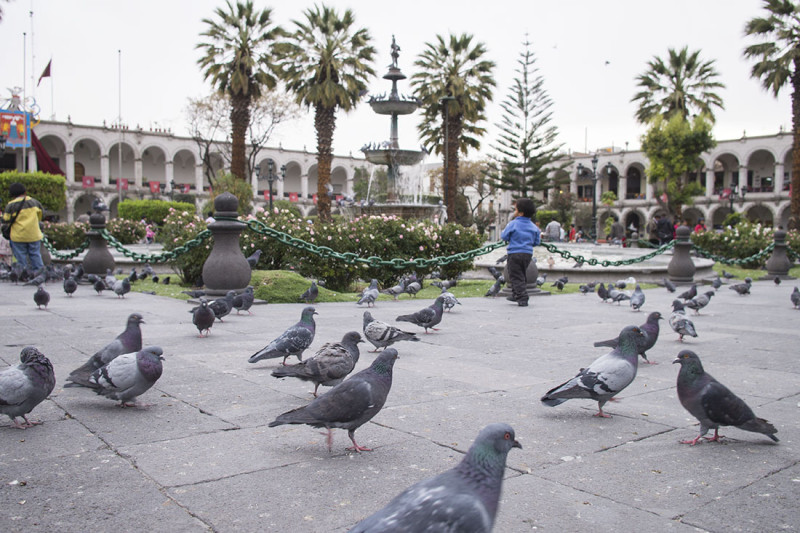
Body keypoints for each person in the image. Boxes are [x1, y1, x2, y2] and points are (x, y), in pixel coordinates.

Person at [500, 198, 540, 307]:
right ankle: (516, 294)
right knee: (521, 274)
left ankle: (522, 298)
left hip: (514, 254)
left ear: (521, 213)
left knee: (515, 276)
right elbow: (536, 242)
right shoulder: (534, 227)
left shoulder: (513, 224)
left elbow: (504, 236)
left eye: (516, 210)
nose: (514, 212)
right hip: (527, 255)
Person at [2, 182, 44, 272]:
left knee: (20, 257)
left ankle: (23, 274)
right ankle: (40, 273)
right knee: (35, 254)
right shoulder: (35, 202)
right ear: (25, 192)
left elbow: (6, 219)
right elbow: (40, 216)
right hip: (34, 234)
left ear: (12, 195)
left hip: (18, 235)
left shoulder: (11, 205)